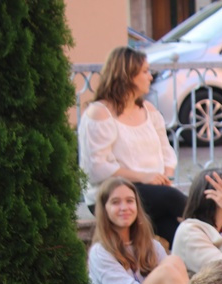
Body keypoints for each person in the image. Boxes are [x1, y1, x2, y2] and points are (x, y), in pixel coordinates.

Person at [78, 46, 187, 246]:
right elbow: (96, 168)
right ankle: (221, 226)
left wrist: (166, 176)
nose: (150, 77)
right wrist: (143, 177)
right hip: (113, 194)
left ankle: (217, 254)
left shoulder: (149, 110)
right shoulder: (100, 113)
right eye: (145, 71)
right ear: (127, 75)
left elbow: (167, 152)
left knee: (181, 236)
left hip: (153, 193)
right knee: (172, 198)